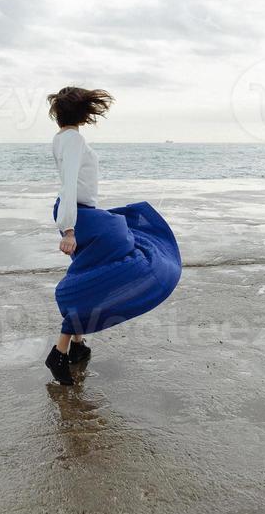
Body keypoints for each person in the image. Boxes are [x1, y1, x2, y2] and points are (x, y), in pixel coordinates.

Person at [44, 87, 182, 386]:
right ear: (83, 114)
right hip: (79, 217)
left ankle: (76, 346)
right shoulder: (73, 139)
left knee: (92, 272)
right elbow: (68, 185)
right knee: (128, 244)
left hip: (82, 215)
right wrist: (68, 229)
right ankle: (59, 351)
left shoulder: (62, 139)